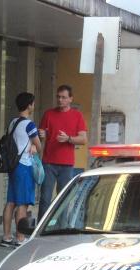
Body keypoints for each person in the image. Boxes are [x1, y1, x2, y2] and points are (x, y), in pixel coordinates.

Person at [38, 85, 87, 220]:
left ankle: (61, 228)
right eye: (58, 97)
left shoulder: (77, 115)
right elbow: (41, 136)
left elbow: (83, 139)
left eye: (64, 97)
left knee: (63, 199)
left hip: (66, 164)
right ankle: (40, 229)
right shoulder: (48, 114)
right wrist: (41, 134)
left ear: (71, 99)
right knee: (45, 198)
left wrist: (68, 139)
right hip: (48, 163)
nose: (60, 100)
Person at [0, 92, 41, 247]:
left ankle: (6, 237)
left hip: (13, 166)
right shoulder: (29, 125)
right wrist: (34, 145)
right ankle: (20, 238)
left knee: (10, 202)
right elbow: (39, 146)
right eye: (33, 103)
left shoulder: (12, 122)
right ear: (29, 105)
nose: (33, 106)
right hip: (24, 166)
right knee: (22, 204)